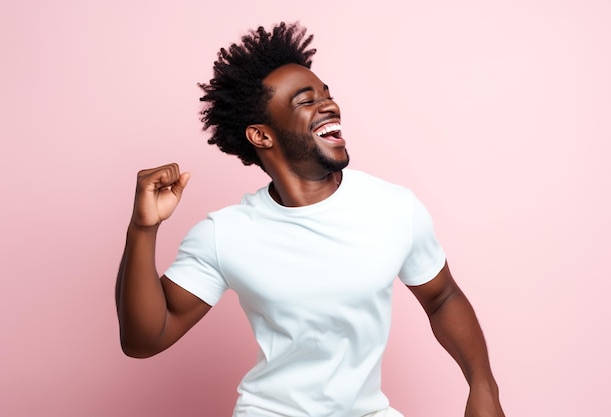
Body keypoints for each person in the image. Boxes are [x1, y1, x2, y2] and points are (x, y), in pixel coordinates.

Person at [116, 22, 505, 417]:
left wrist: (483, 386)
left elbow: (442, 297)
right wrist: (143, 228)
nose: (329, 105)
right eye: (305, 101)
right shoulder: (226, 233)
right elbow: (145, 339)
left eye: (327, 95)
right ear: (261, 136)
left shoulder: (393, 208)